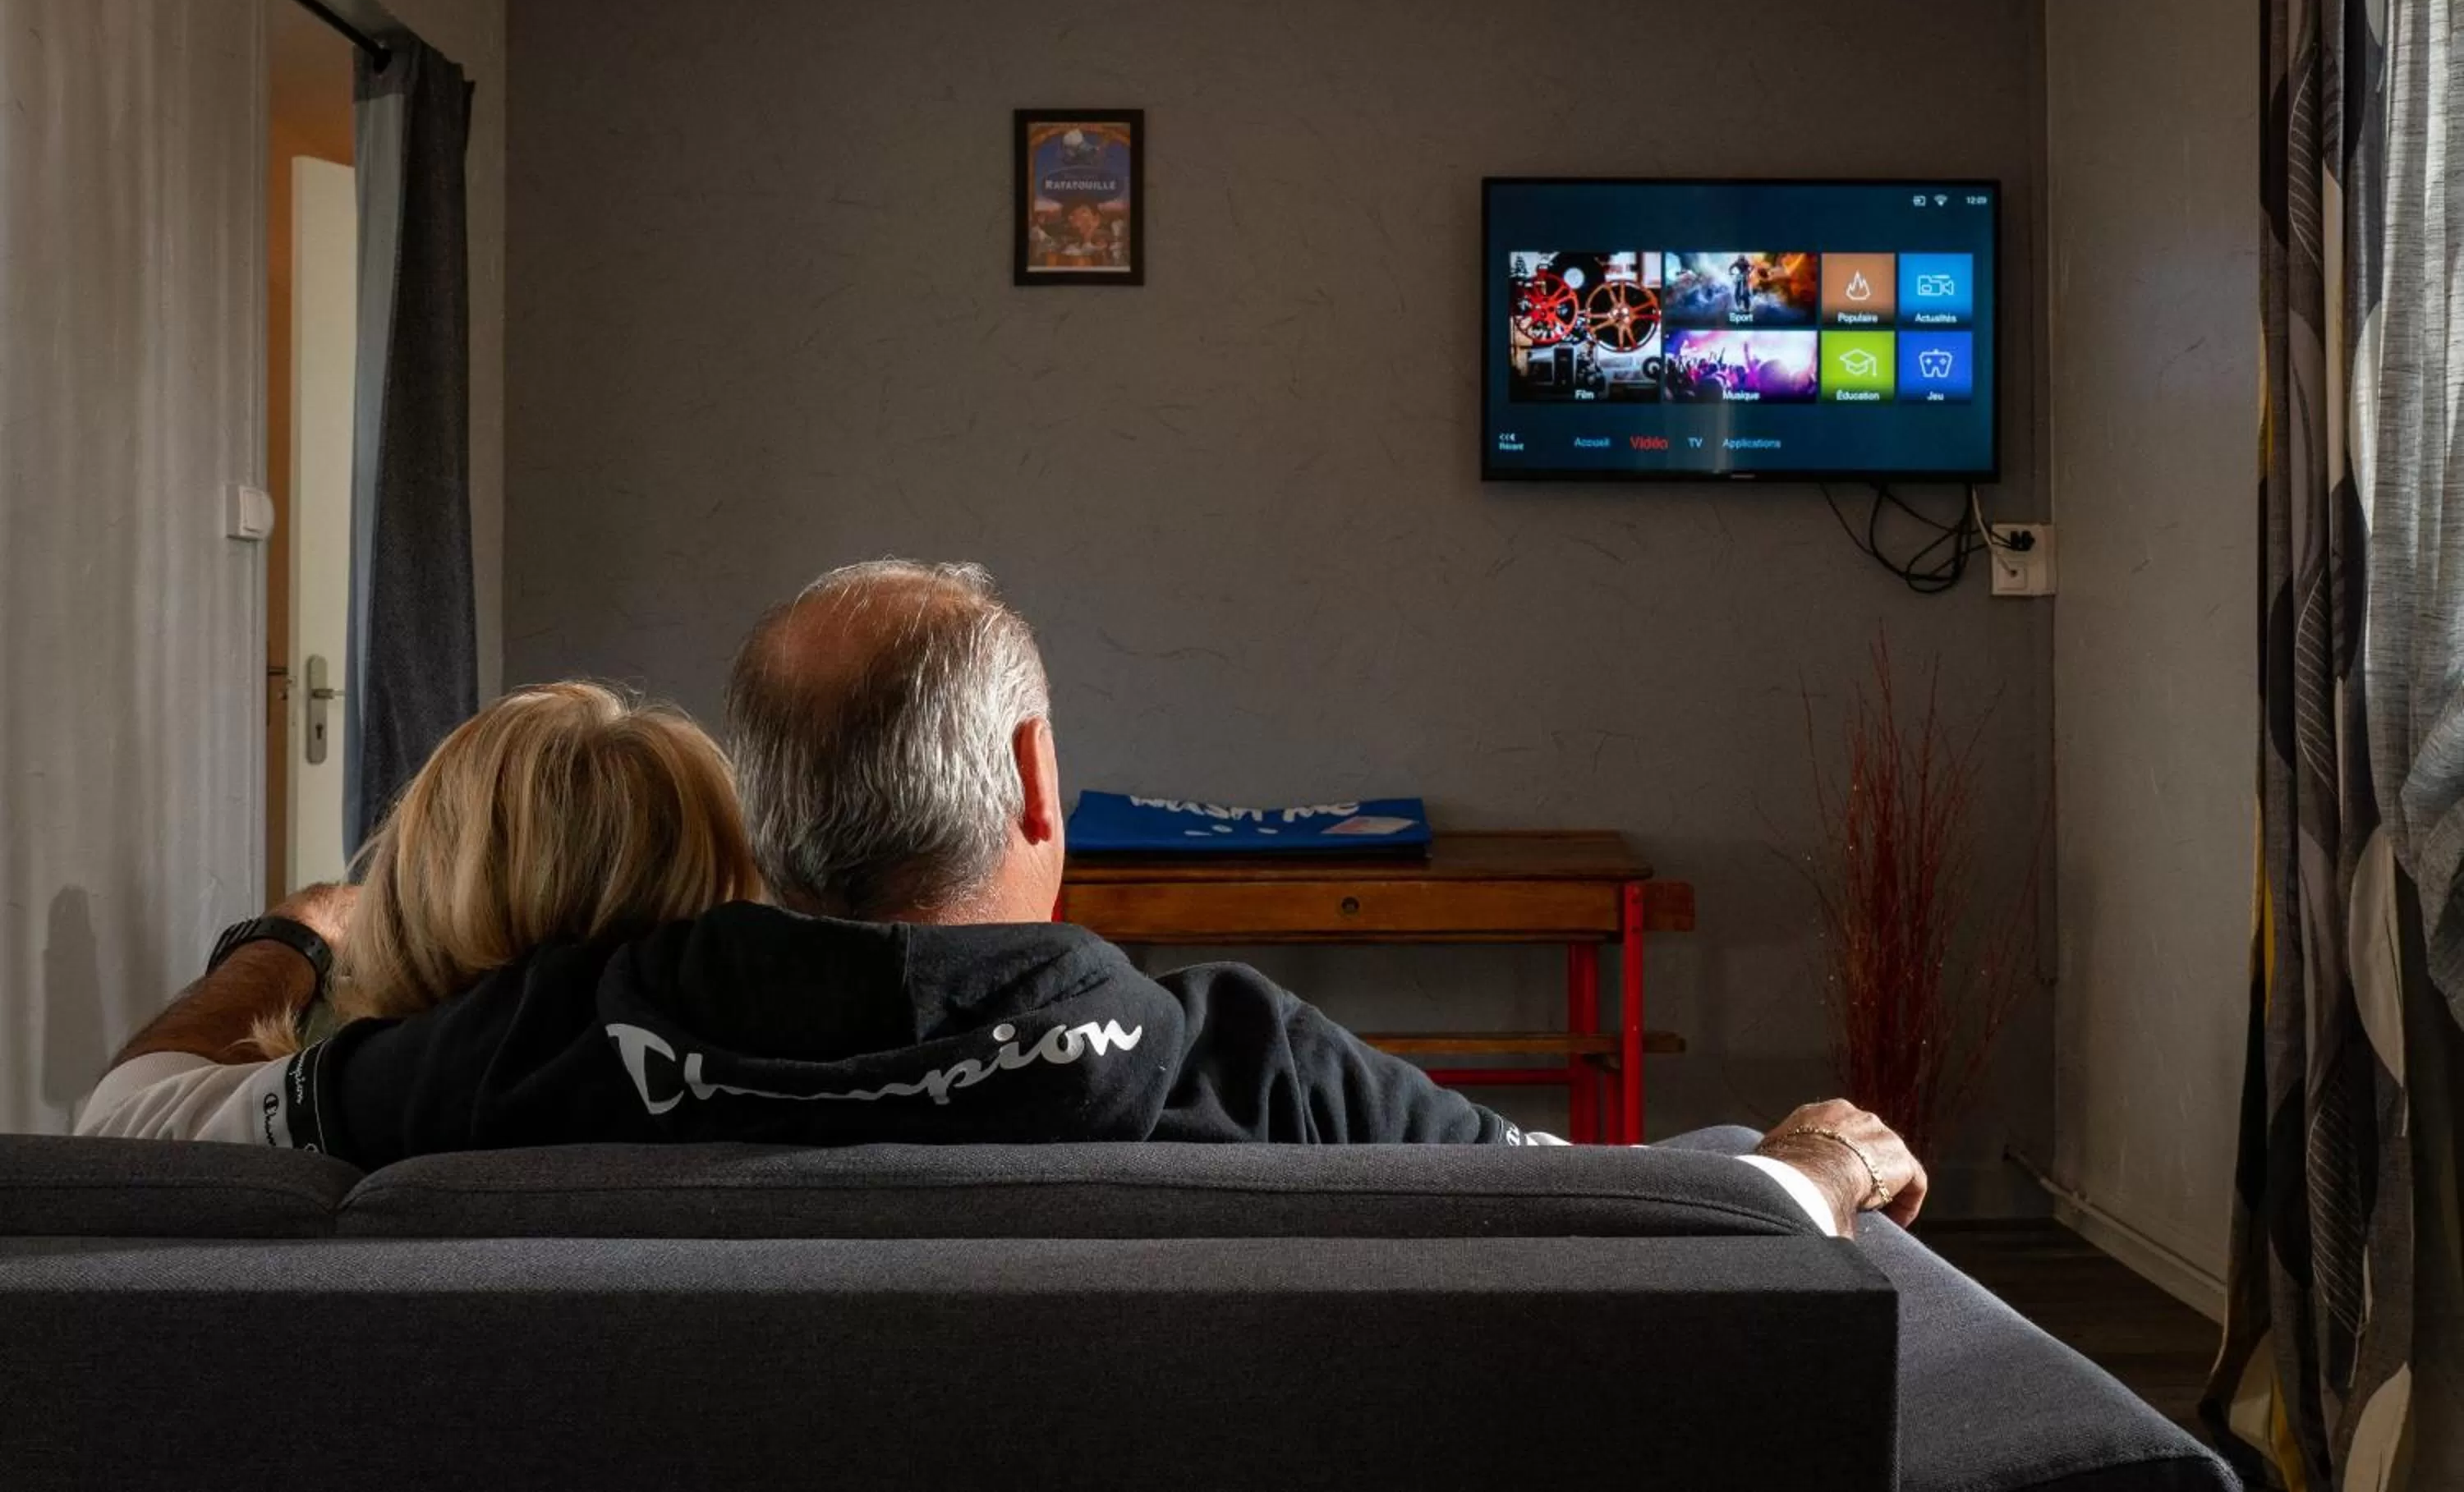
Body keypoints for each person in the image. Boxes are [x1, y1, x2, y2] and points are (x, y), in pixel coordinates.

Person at [79, 562, 1925, 1238]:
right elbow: (1662, 1222)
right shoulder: (1250, 1062)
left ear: (769, 811)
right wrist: (1819, 1155)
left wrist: (298, 934)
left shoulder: (514, 1047)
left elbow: (136, 1125)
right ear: (1040, 782)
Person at [74, 681, 759, 1139]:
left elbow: (117, 1128)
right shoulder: (766, 1097)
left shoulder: (382, 1096)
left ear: (424, 883)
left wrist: (296, 930)